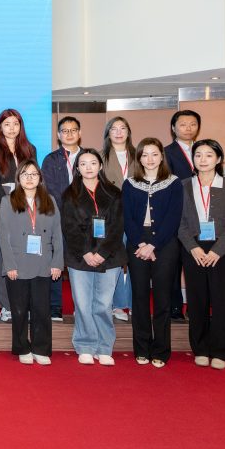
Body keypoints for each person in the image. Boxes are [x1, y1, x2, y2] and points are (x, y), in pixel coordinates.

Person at [179, 139, 225, 369]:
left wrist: (218, 250)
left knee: (221, 300)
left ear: (218, 159)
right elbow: (178, 221)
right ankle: (200, 348)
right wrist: (193, 247)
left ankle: (220, 350)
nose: (203, 159)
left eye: (209, 155)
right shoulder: (184, 186)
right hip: (193, 249)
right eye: (198, 155)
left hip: (221, 250)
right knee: (196, 300)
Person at [122, 138, 183, 368]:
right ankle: (141, 348)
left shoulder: (174, 183)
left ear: (161, 156)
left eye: (154, 154)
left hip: (165, 245)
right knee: (139, 298)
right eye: (145, 154)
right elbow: (127, 218)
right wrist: (141, 244)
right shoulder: (130, 184)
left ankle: (161, 350)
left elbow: (173, 218)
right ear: (138, 158)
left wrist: (153, 245)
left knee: (162, 299)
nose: (150, 159)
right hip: (137, 244)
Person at [61, 149, 125, 366]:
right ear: (77, 169)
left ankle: (104, 347)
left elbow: (117, 227)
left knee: (103, 304)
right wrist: (87, 252)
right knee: (83, 304)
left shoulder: (114, 193)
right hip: (80, 256)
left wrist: (102, 252)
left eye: (93, 163)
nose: (88, 167)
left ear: (100, 166)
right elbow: (69, 227)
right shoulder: (69, 194)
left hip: (110, 255)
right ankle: (85, 345)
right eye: (83, 164)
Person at [0, 160, 63, 365]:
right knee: (18, 310)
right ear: (18, 178)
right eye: (25, 174)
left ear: (40, 178)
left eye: (34, 174)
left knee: (41, 309)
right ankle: (22, 347)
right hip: (17, 263)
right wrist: (9, 265)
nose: (29, 178)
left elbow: (57, 234)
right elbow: (3, 236)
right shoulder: (8, 201)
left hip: (43, 262)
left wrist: (57, 262)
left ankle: (40, 348)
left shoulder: (50, 201)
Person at [0, 108, 37, 322]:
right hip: (4, 206)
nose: (11, 128)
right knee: (5, 257)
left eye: (15, 124)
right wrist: (9, 204)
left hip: (28, 206)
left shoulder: (30, 148)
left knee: (26, 257)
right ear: (0, 127)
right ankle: (6, 305)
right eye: (7, 124)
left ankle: (25, 304)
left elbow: (35, 177)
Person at [40, 115, 81, 322]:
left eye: (73, 130)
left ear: (79, 133)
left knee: (80, 264)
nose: (69, 134)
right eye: (65, 131)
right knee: (55, 261)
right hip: (58, 218)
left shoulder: (89, 157)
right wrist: (67, 211)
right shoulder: (51, 160)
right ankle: (55, 307)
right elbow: (50, 190)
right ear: (58, 135)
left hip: (83, 222)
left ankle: (81, 307)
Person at [164, 109, 201, 322]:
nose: (188, 128)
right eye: (183, 124)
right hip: (177, 215)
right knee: (174, 264)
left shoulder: (204, 149)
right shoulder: (166, 152)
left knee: (197, 264)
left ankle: (197, 309)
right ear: (173, 128)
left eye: (193, 124)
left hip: (202, 216)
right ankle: (175, 309)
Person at [101, 116, 135, 322]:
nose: (119, 132)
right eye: (114, 128)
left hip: (135, 214)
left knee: (132, 260)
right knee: (113, 259)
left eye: (123, 128)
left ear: (128, 132)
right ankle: (115, 303)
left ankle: (129, 302)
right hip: (110, 215)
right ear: (108, 133)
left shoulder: (138, 154)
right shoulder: (100, 156)